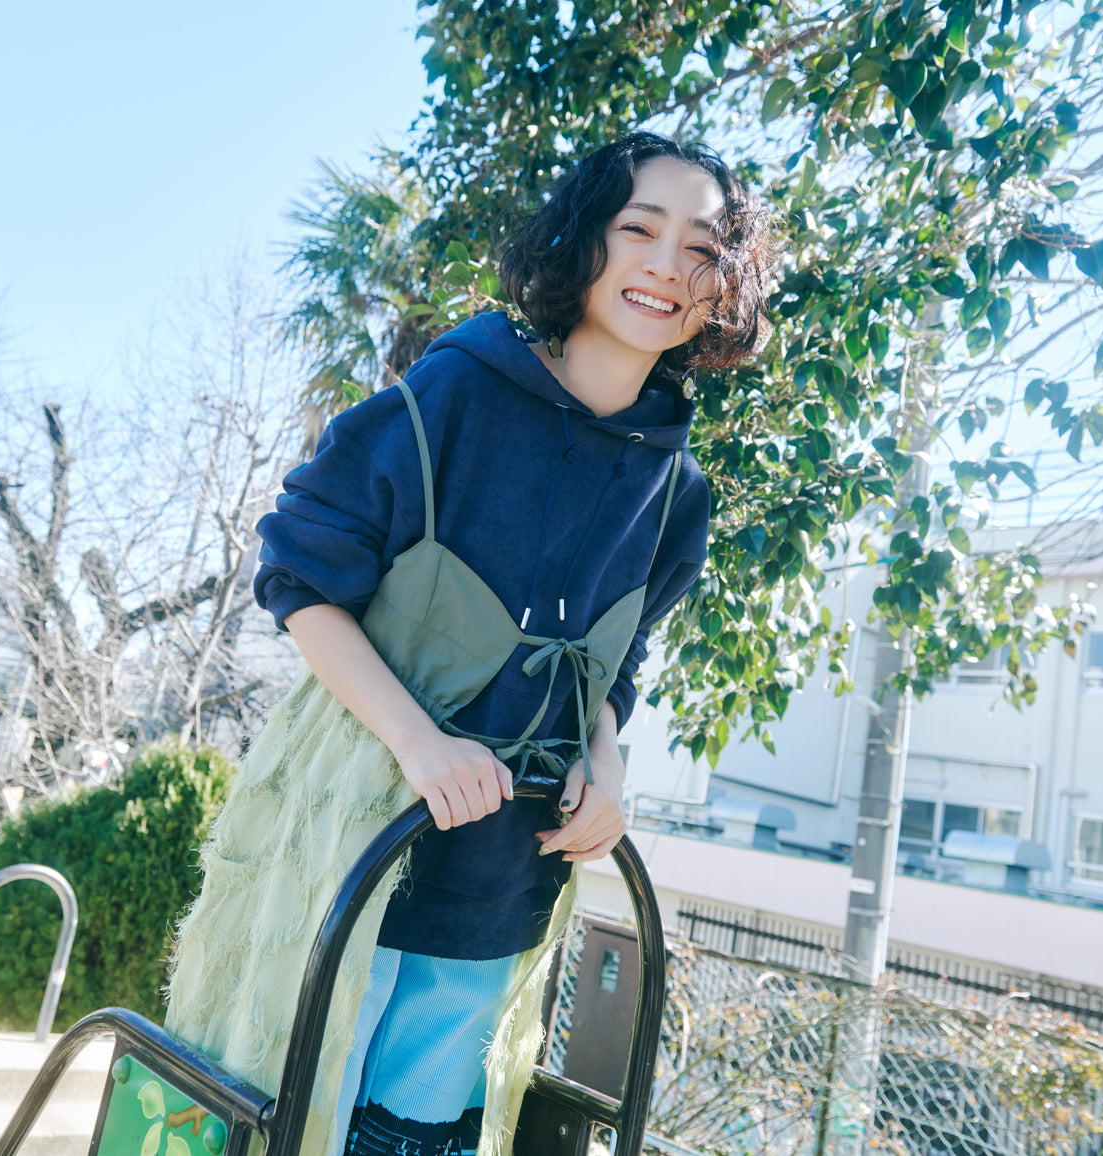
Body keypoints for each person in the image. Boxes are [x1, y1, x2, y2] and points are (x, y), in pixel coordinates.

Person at [164, 131, 777, 1156]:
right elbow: (302, 573)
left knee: (415, 1132)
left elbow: (615, 664)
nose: (669, 265)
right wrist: (417, 742)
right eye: (640, 229)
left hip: (505, 867)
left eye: (704, 248)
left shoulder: (678, 492)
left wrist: (605, 759)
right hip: (351, 825)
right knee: (282, 1103)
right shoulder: (457, 390)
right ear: (584, 243)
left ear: (724, 288)